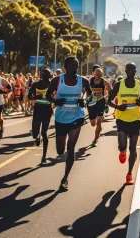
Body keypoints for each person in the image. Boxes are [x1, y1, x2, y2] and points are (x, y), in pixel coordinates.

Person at [46, 56, 93, 191]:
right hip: (60, 118)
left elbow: (90, 95)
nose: (75, 68)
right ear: (66, 67)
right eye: (73, 66)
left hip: (77, 116)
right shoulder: (57, 80)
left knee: (71, 146)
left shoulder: (83, 80)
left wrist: (84, 101)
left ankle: (65, 178)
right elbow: (48, 95)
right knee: (61, 151)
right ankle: (63, 156)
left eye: (77, 66)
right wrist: (55, 101)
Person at [108, 63, 140, 185]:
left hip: (135, 120)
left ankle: (129, 174)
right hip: (122, 119)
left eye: (133, 69)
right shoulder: (119, 85)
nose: (131, 71)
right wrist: (118, 106)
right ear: (125, 71)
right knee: (123, 146)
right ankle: (122, 151)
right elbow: (108, 101)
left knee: (133, 148)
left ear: (135, 71)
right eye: (129, 69)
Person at [29, 68, 53, 165]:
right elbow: (29, 95)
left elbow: (55, 96)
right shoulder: (35, 84)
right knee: (35, 133)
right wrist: (35, 97)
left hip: (47, 111)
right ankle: (37, 137)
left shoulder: (51, 84)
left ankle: (44, 157)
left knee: (44, 132)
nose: (46, 80)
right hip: (37, 110)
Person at [87, 68, 112, 146]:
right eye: (97, 74)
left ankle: (95, 140)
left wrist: (105, 97)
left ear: (102, 74)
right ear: (94, 73)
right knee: (92, 123)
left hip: (100, 103)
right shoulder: (90, 80)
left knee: (98, 122)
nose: (98, 75)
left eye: (100, 74)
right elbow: (86, 91)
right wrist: (86, 99)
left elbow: (111, 90)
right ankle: (99, 128)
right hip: (91, 102)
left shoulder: (104, 81)